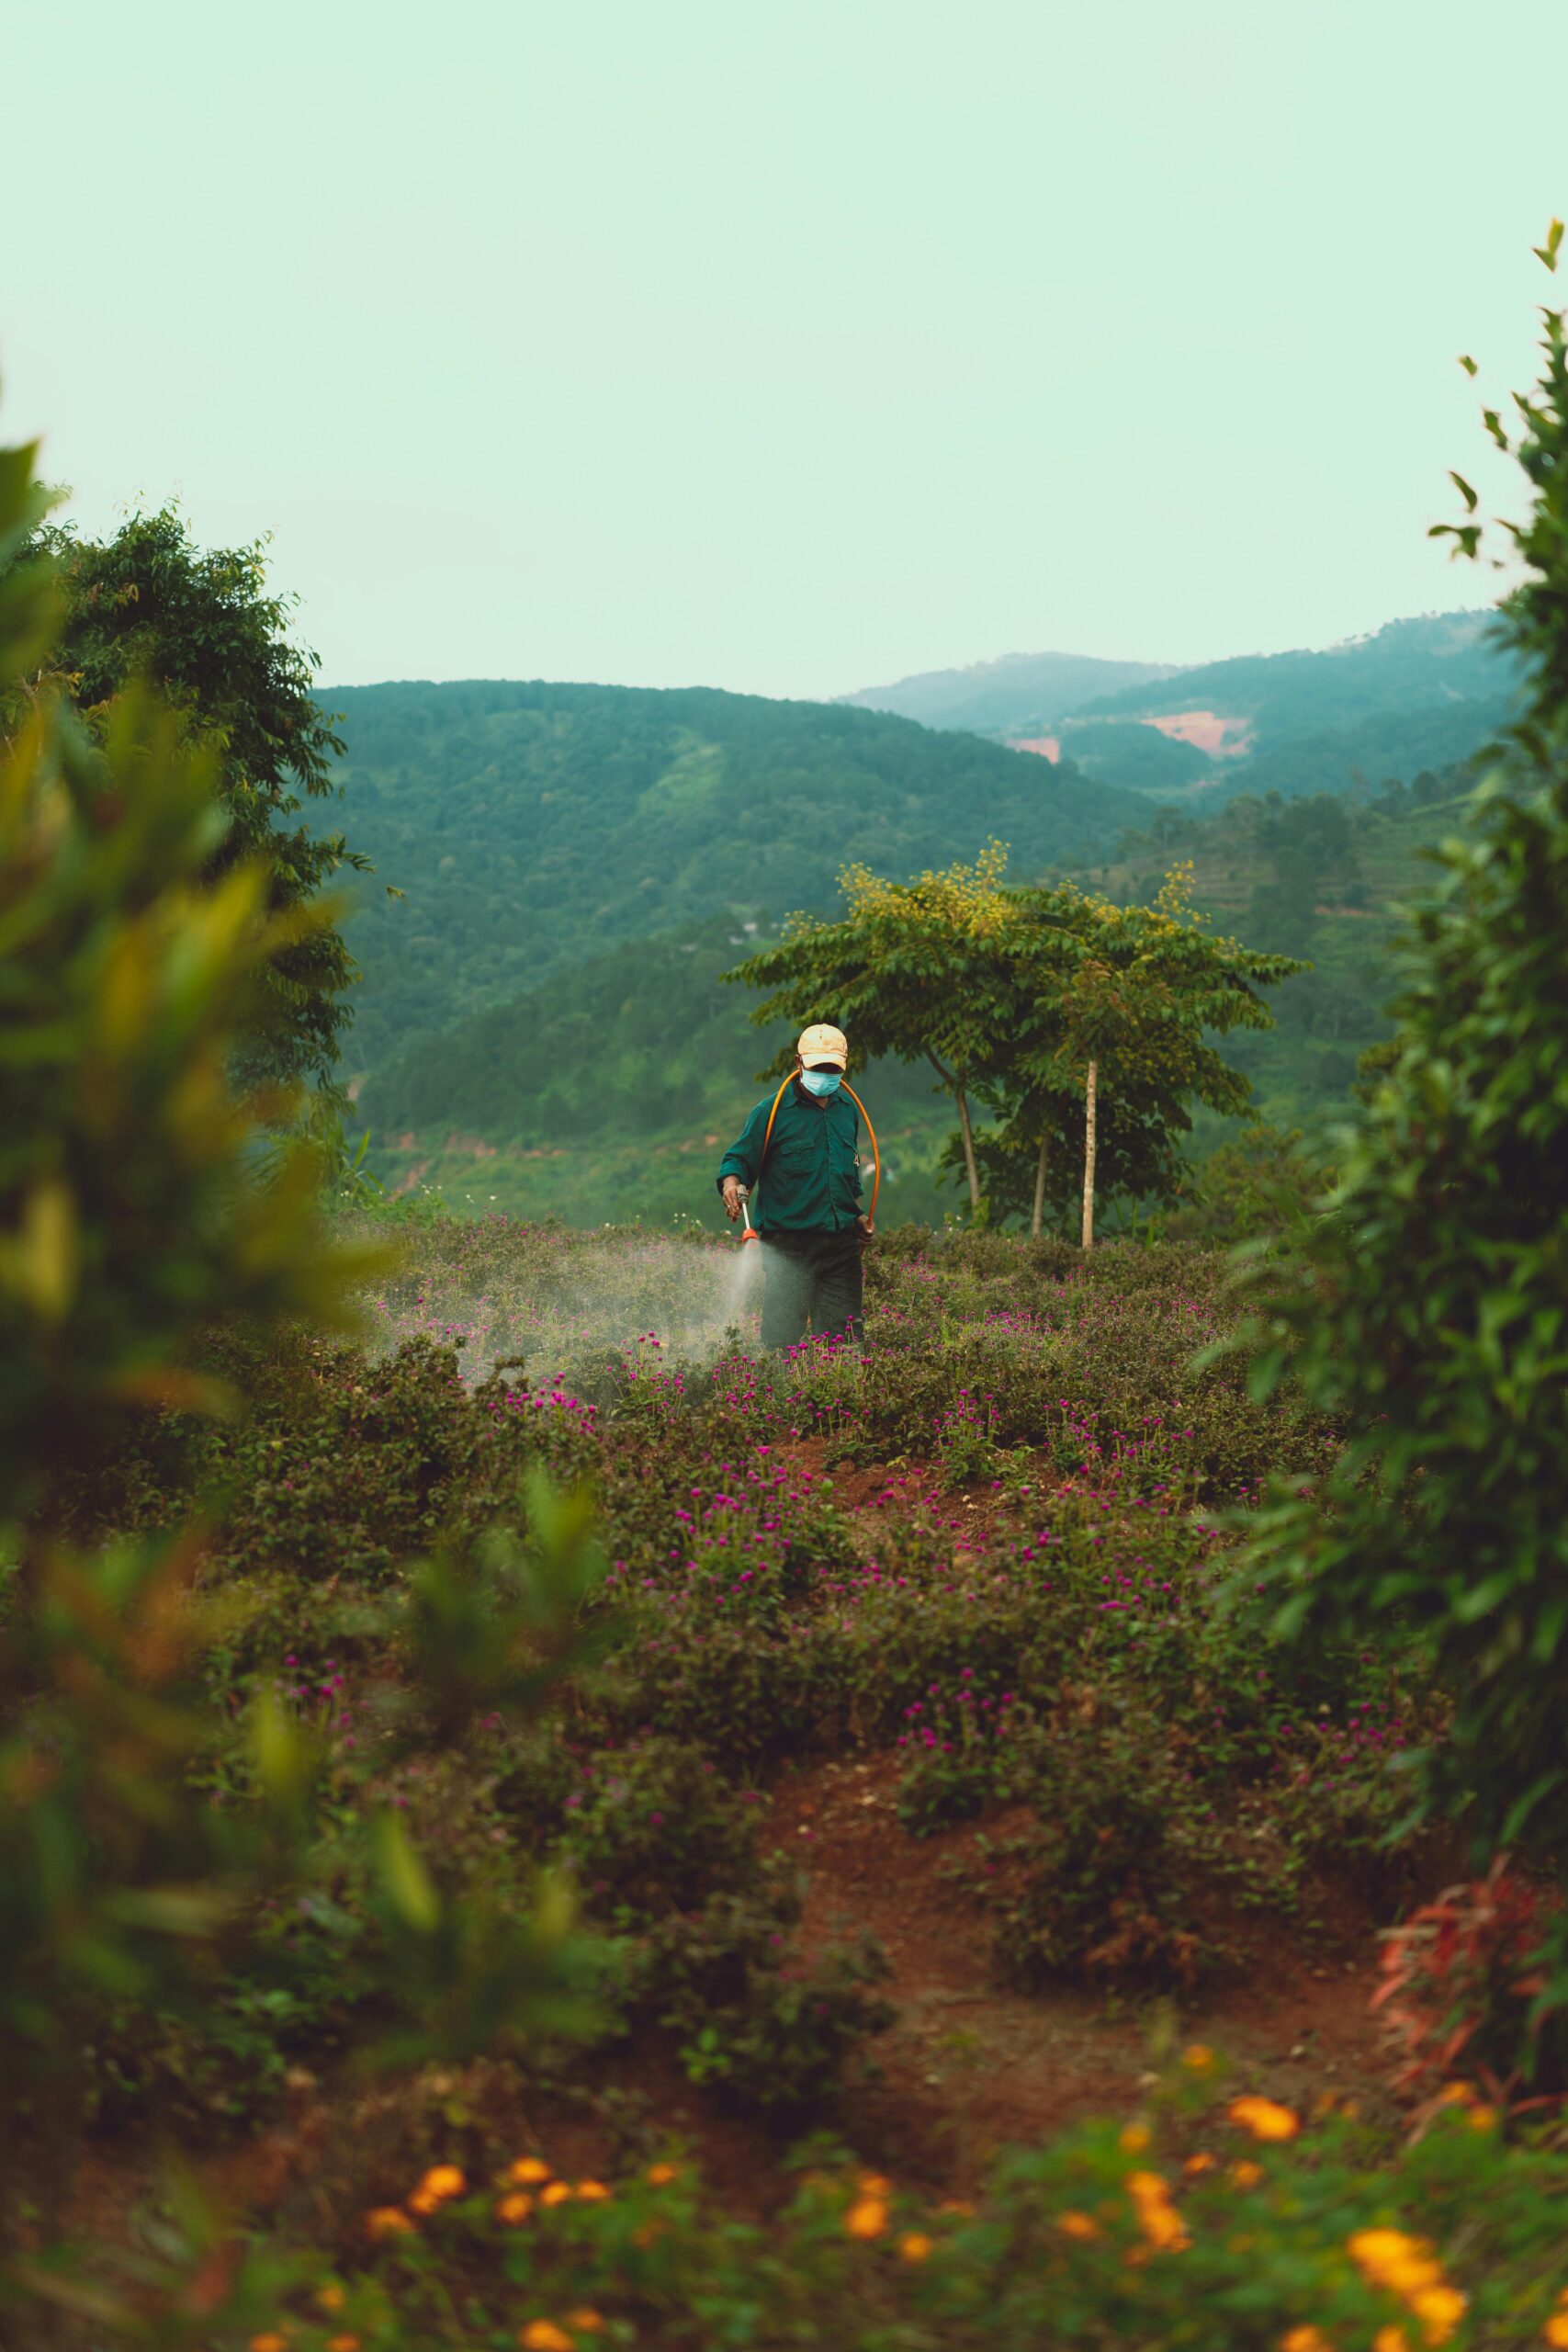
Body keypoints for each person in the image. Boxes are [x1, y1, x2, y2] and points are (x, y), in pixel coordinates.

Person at [716, 1023, 874, 1352]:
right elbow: (738, 1161)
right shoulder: (771, 1112)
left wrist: (855, 1215)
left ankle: (838, 1401)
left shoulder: (847, 1110)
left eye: (834, 1069)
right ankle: (779, 1399)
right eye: (819, 1068)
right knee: (781, 1344)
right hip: (789, 1247)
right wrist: (732, 1184)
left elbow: (847, 1174)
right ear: (798, 1063)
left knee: (844, 1344)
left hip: (840, 1248)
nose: (826, 1075)